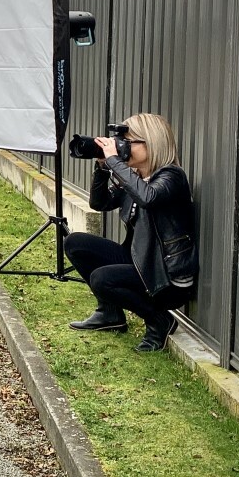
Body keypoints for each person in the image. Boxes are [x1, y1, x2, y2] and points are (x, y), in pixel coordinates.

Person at [64, 113, 199, 352]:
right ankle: (109, 314)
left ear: (152, 142)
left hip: (165, 276)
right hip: (141, 262)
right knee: (75, 243)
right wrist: (103, 168)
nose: (122, 148)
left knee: (102, 278)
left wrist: (115, 161)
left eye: (128, 142)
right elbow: (100, 203)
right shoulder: (136, 178)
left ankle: (159, 321)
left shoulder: (172, 176)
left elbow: (149, 197)